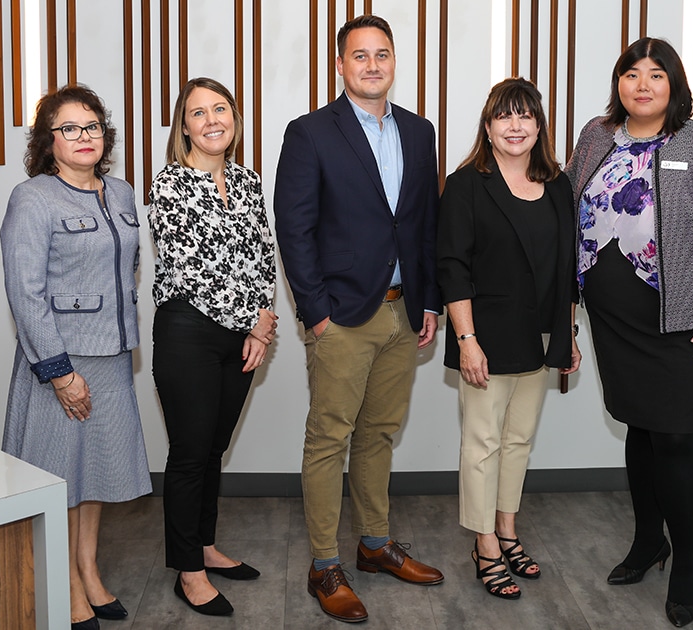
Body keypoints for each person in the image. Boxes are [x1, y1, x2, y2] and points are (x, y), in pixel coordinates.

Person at [564, 38, 693, 627]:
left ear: (675, 85)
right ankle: (649, 542)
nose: (643, 85)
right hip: (611, 317)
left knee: (675, 438)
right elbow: (564, 211)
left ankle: (687, 565)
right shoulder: (596, 135)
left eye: (656, 75)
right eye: (631, 74)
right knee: (640, 428)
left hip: (680, 320)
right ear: (618, 83)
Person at [273, 13, 445, 624]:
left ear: (395, 62)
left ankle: (374, 545)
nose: (372, 65)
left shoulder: (421, 133)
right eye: (360, 56)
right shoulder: (312, 132)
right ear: (340, 66)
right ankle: (324, 565)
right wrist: (315, 314)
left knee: (378, 435)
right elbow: (293, 229)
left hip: (403, 314)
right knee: (330, 440)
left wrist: (430, 300)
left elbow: (424, 225)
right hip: (341, 317)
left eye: (383, 55)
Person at [0, 84, 152, 630]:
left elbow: (125, 269)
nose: (83, 137)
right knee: (60, 474)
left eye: (91, 126)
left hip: (111, 356)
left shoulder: (122, 193)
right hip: (59, 362)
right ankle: (62, 582)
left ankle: (88, 568)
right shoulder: (33, 197)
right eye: (69, 128)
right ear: (48, 140)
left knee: (99, 473)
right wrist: (60, 372)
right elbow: (25, 292)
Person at [437, 77, 582, 600]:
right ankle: (484, 546)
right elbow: (451, 267)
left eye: (525, 115)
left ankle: (507, 529)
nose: (515, 126)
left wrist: (567, 335)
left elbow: (567, 270)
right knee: (482, 444)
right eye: (504, 116)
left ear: (539, 125)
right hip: (487, 338)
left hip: (540, 337)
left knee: (518, 441)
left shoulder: (559, 186)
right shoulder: (466, 185)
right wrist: (466, 339)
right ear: (488, 126)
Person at [148, 77, 277, 617]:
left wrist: (264, 320)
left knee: (213, 449)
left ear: (234, 117)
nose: (211, 120)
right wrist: (249, 322)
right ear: (185, 128)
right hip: (189, 329)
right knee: (188, 451)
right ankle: (189, 571)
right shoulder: (169, 184)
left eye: (219, 109)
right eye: (197, 113)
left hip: (241, 334)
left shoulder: (246, 180)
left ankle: (204, 545)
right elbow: (194, 267)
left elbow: (263, 253)